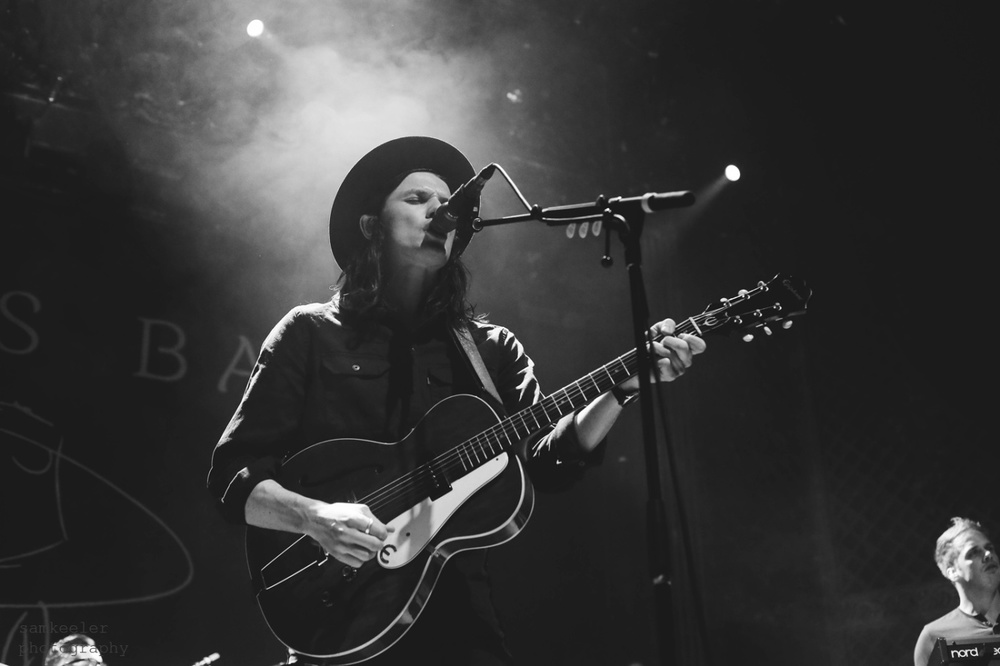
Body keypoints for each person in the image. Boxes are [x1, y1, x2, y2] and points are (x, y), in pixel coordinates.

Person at [207, 136, 706, 666]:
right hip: (340, 612)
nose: (439, 211)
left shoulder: (489, 348)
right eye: (416, 199)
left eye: (447, 203)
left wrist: (622, 388)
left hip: (458, 621)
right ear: (372, 225)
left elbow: (549, 461)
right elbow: (232, 477)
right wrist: (316, 517)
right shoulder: (309, 332)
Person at [914, 517, 1000, 666]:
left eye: (990, 548)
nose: (988, 555)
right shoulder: (933, 638)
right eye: (973, 552)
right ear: (952, 572)